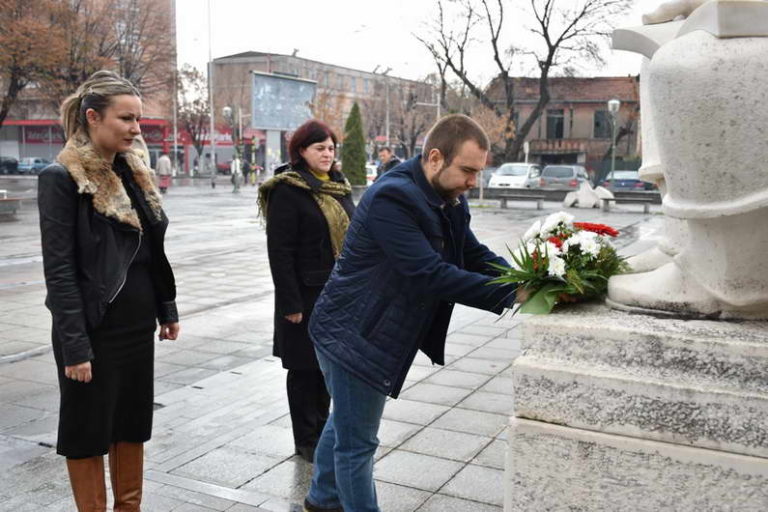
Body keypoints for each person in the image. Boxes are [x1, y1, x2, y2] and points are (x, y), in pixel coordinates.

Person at [303, 114, 525, 512]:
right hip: (353, 334)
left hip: (370, 328)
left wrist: (524, 279)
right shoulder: (393, 198)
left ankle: (322, 498)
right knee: (357, 444)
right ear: (436, 158)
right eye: (468, 170)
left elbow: (471, 252)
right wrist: (514, 294)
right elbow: (429, 274)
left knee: (346, 422)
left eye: (478, 172)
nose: (473, 181)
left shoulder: (447, 195)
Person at [37, 70, 180, 512]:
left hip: (136, 327)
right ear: (93, 117)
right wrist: (75, 346)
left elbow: (151, 248)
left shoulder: (133, 172)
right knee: (87, 429)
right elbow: (59, 271)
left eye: (138, 119)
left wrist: (166, 307)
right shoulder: (62, 177)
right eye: (126, 118)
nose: (136, 128)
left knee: (131, 423)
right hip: (92, 329)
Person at [258, 119, 355, 464]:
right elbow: (280, 251)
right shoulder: (287, 190)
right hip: (304, 296)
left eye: (331, 148)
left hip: (336, 295)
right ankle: (306, 440)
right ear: (301, 151)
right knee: (303, 369)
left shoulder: (339, 187)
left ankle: (323, 431)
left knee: (327, 367)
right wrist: (290, 303)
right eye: (319, 148)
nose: (327, 154)